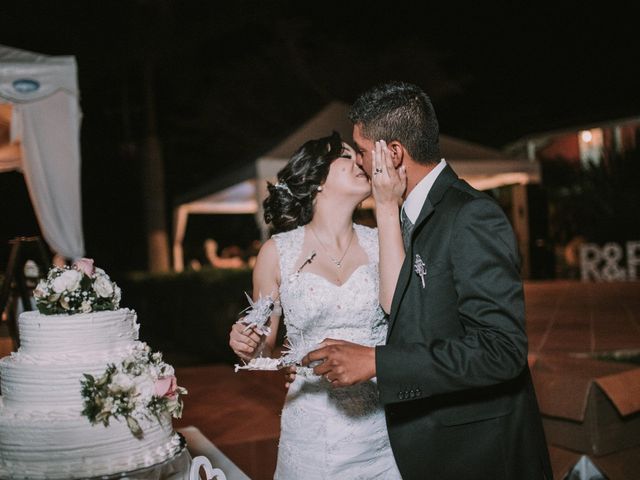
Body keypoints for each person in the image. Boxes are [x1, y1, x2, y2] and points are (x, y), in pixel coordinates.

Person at [302, 81, 553, 480]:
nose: (361, 163)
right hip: (431, 445)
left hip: (480, 453)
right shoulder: (402, 214)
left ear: (394, 152)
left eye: (364, 152)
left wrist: (375, 361)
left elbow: (501, 349)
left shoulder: (471, 215)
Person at [228, 131, 402, 479]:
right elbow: (264, 345)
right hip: (311, 430)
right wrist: (246, 343)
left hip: (380, 430)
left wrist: (389, 209)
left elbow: (401, 310)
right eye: (346, 156)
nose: (360, 163)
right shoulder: (277, 253)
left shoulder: (383, 239)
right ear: (317, 180)